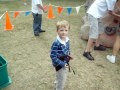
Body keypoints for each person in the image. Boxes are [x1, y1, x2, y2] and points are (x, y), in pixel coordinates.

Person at [50, 20, 72, 90]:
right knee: (62, 79)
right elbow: (52, 56)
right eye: (61, 30)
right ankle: (59, 88)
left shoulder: (67, 39)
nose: (64, 32)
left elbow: (67, 48)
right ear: (57, 31)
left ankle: (57, 82)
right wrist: (62, 64)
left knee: (61, 75)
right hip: (59, 63)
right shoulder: (56, 43)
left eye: (66, 30)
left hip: (65, 61)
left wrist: (69, 55)